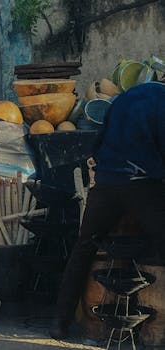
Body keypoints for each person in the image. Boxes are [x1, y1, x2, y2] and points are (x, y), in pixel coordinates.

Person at [49, 81, 165, 340]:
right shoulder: (162, 101)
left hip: (106, 184)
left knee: (83, 248)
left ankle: (59, 323)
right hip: (142, 186)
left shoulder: (125, 97)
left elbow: (98, 140)